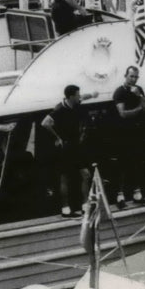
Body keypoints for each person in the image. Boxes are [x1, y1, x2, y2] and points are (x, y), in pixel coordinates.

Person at [41, 84, 99, 218]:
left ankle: (85, 206)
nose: (80, 97)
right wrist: (58, 138)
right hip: (66, 148)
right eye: (78, 95)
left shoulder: (74, 102)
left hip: (75, 146)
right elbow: (45, 123)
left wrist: (93, 94)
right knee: (65, 178)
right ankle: (66, 209)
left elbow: (84, 97)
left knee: (85, 175)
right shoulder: (59, 109)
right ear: (71, 97)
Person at [111, 65, 145, 209]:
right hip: (124, 134)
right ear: (125, 76)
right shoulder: (119, 92)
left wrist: (140, 96)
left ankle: (137, 194)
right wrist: (139, 109)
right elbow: (122, 113)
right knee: (123, 166)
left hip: (138, 133)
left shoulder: (139, 90)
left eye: (136, 77)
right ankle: (120, 197)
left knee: (138, 163)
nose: (134, 79)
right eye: (131, 76)